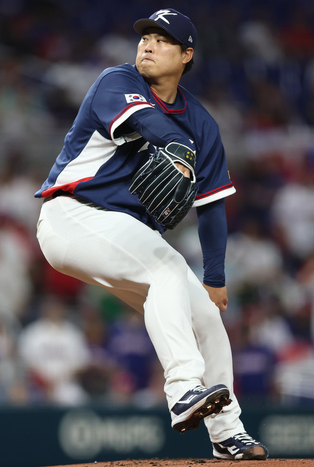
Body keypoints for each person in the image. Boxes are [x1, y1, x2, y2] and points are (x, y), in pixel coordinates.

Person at [34, 8, 268, 461]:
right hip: (71, 216)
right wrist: (178, 147)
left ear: (186, 56)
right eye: (146, 37)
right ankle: (182, 388)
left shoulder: (202, 123)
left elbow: (211, 205)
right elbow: (148, 123)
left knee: (205, 318)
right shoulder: (117, 81)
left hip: (123, 235)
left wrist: (215, 278)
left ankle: (227, 434)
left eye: (163, 40)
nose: (148, 45)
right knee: (166, 267)